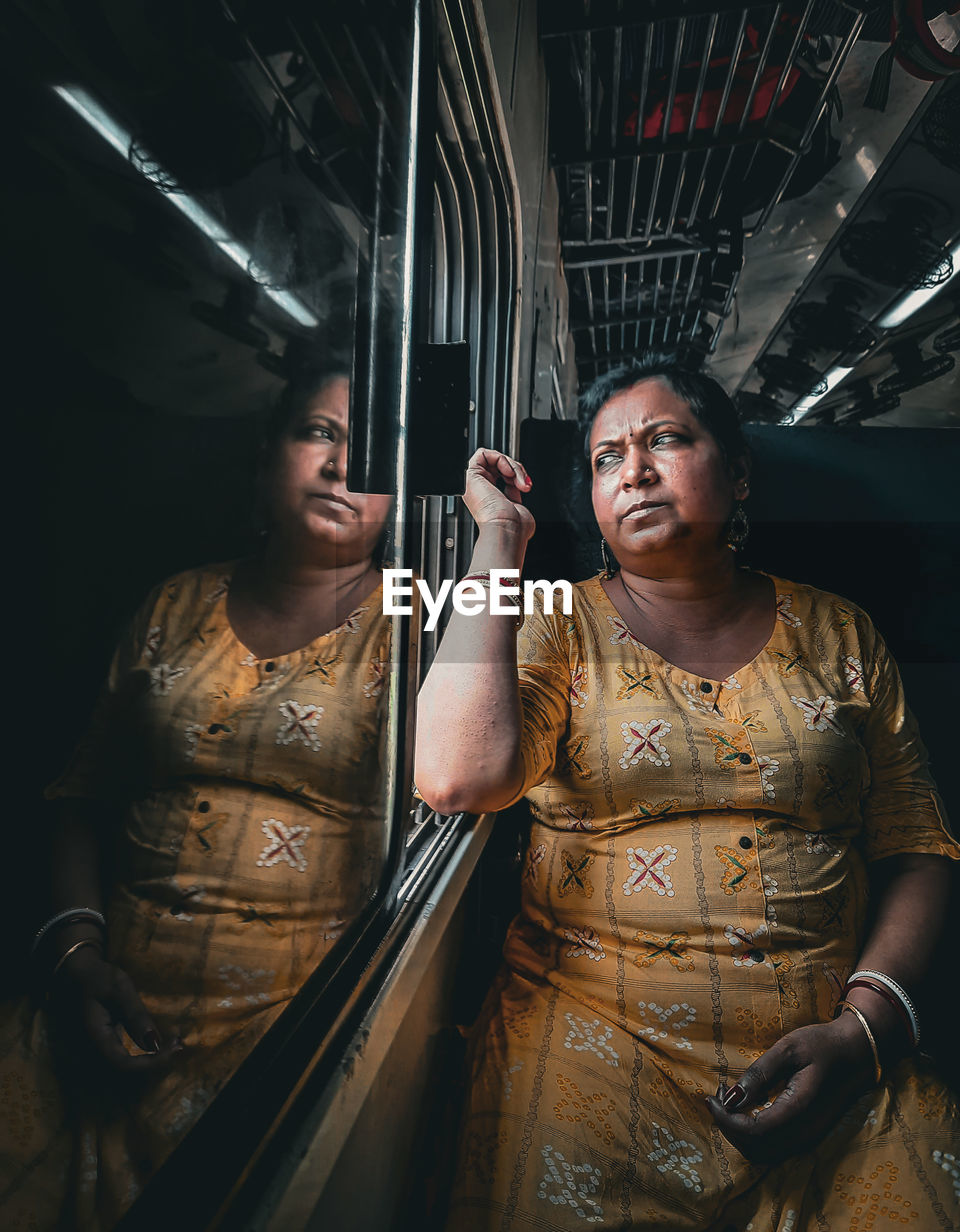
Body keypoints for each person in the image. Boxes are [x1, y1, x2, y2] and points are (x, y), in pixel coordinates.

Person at [415, 354, 959, 1230]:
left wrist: (867, 1032)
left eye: (665, 439)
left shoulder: (838, 630)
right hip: (592, 1045)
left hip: (835, 1057)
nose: (633, 469)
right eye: (605, 458)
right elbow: (455, 776)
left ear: (738, 474)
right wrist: (501, 539)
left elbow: (918, 846)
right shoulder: (560, 622)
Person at [0, 371, 394, 1231]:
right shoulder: (172, 603)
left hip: (292, 1029)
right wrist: (76, 961)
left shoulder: (419, 625)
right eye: (317, 433)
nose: (339, 468)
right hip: (102, 993)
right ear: (265, 458)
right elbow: (80, 795)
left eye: (369, 453)